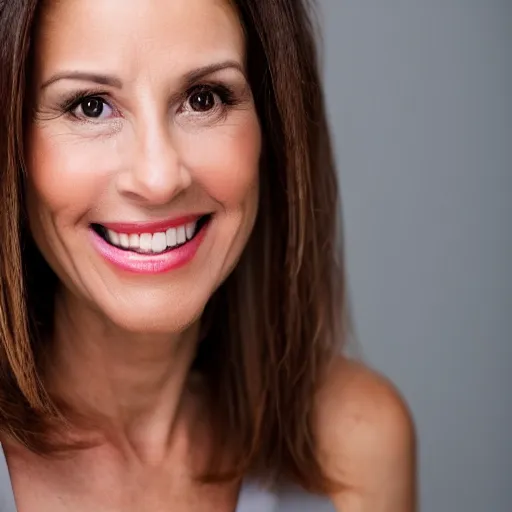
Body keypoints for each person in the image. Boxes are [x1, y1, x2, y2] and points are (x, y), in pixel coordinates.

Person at [0, 0, 416, 510]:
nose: (158, 178)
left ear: (272, 124)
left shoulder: (353, 444)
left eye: (203, 99)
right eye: (90, 105)